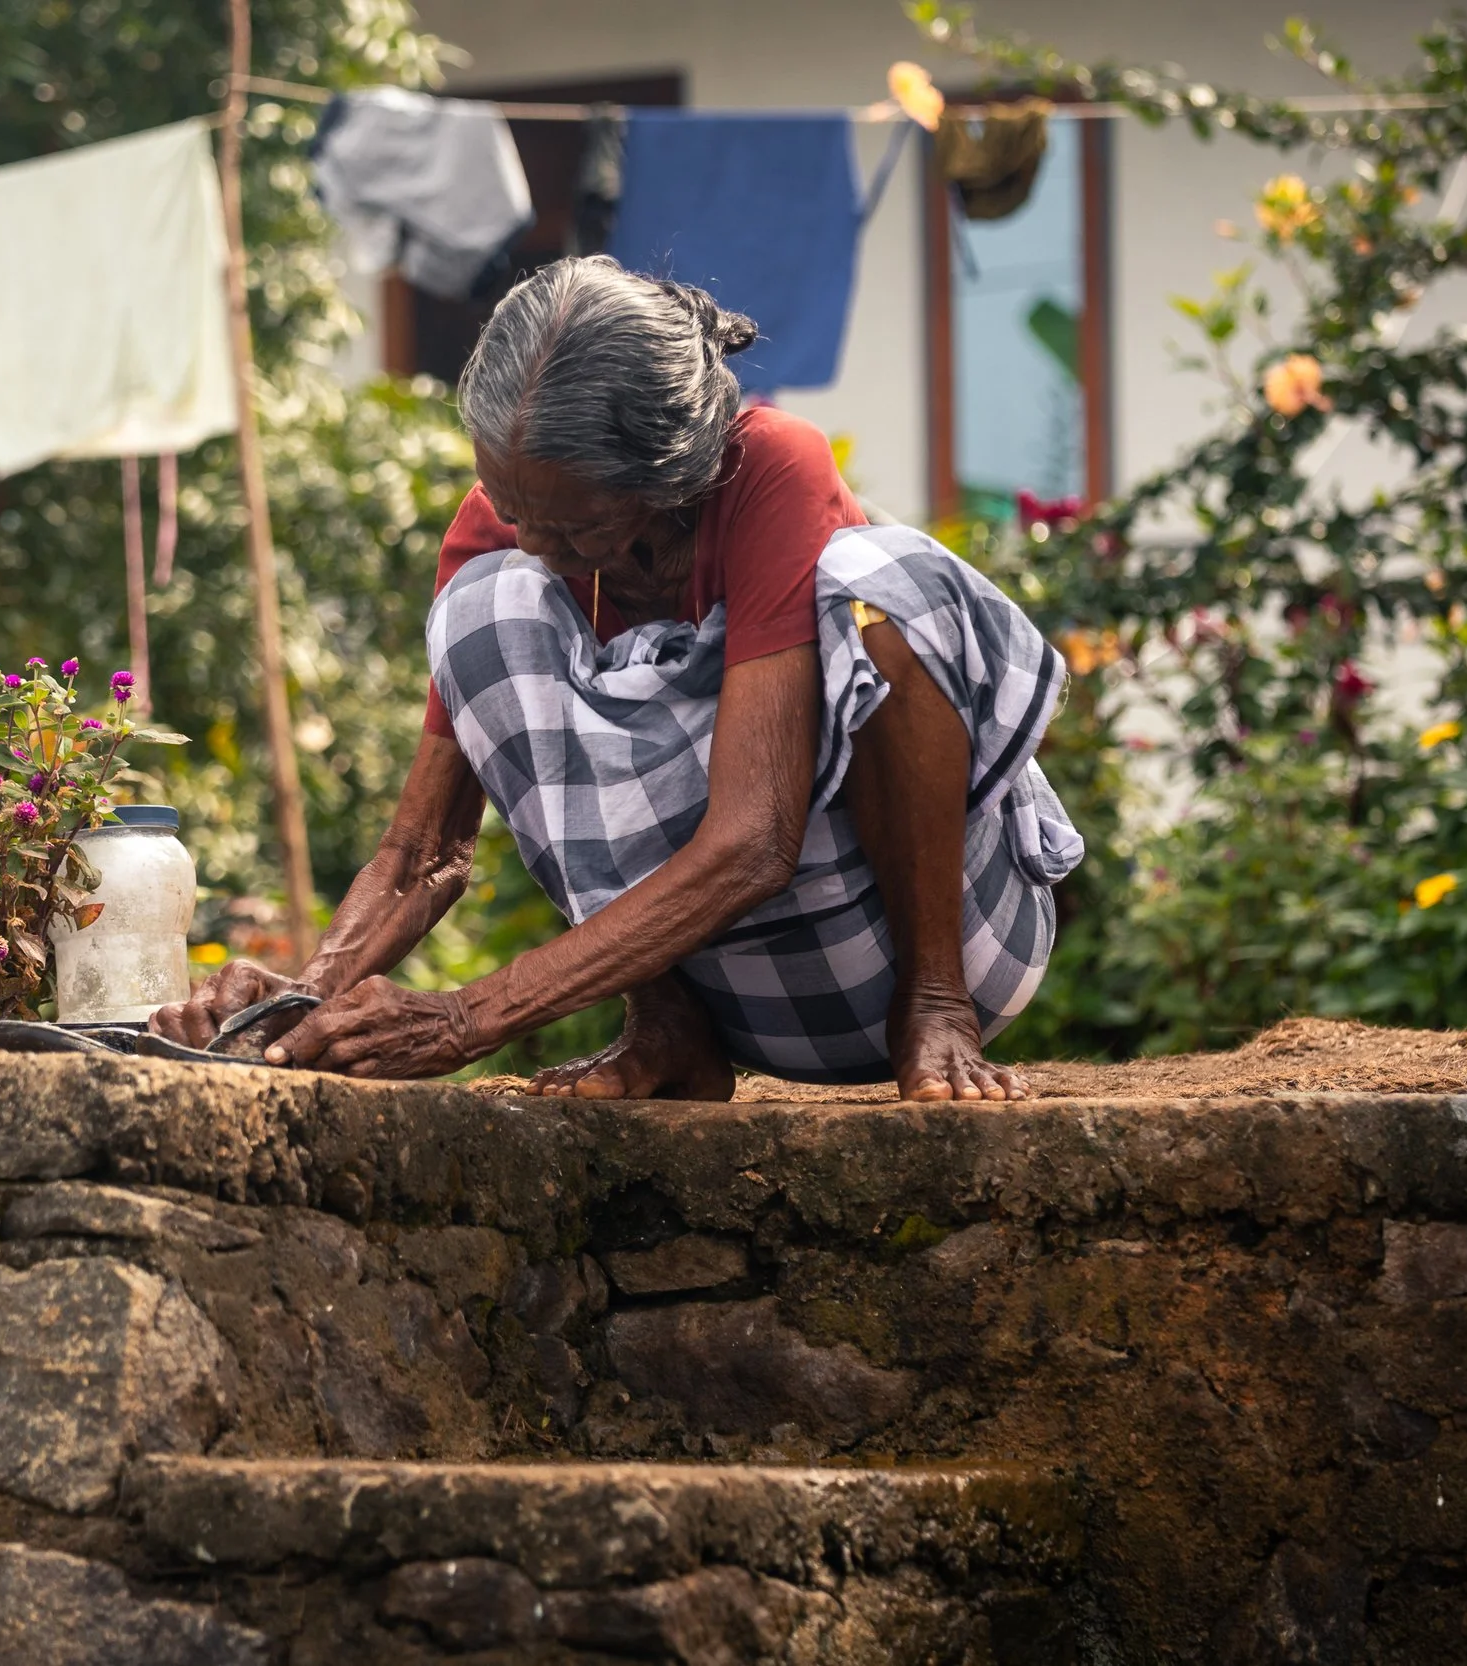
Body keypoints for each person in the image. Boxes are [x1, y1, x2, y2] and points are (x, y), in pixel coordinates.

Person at [153, 256, 1083, 1101]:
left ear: (672, 476)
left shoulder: (766, 471)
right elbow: (422, 851)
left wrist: (466, 1016)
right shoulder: (509, 537)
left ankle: (936, 1010)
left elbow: (757, 839)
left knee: (882, 581)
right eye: (516, 509)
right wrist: (301, 1000)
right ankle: (670, 1030)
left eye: (578, 527)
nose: (538, 545)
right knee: (485, 606)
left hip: (934, 942)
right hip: (749, 999)